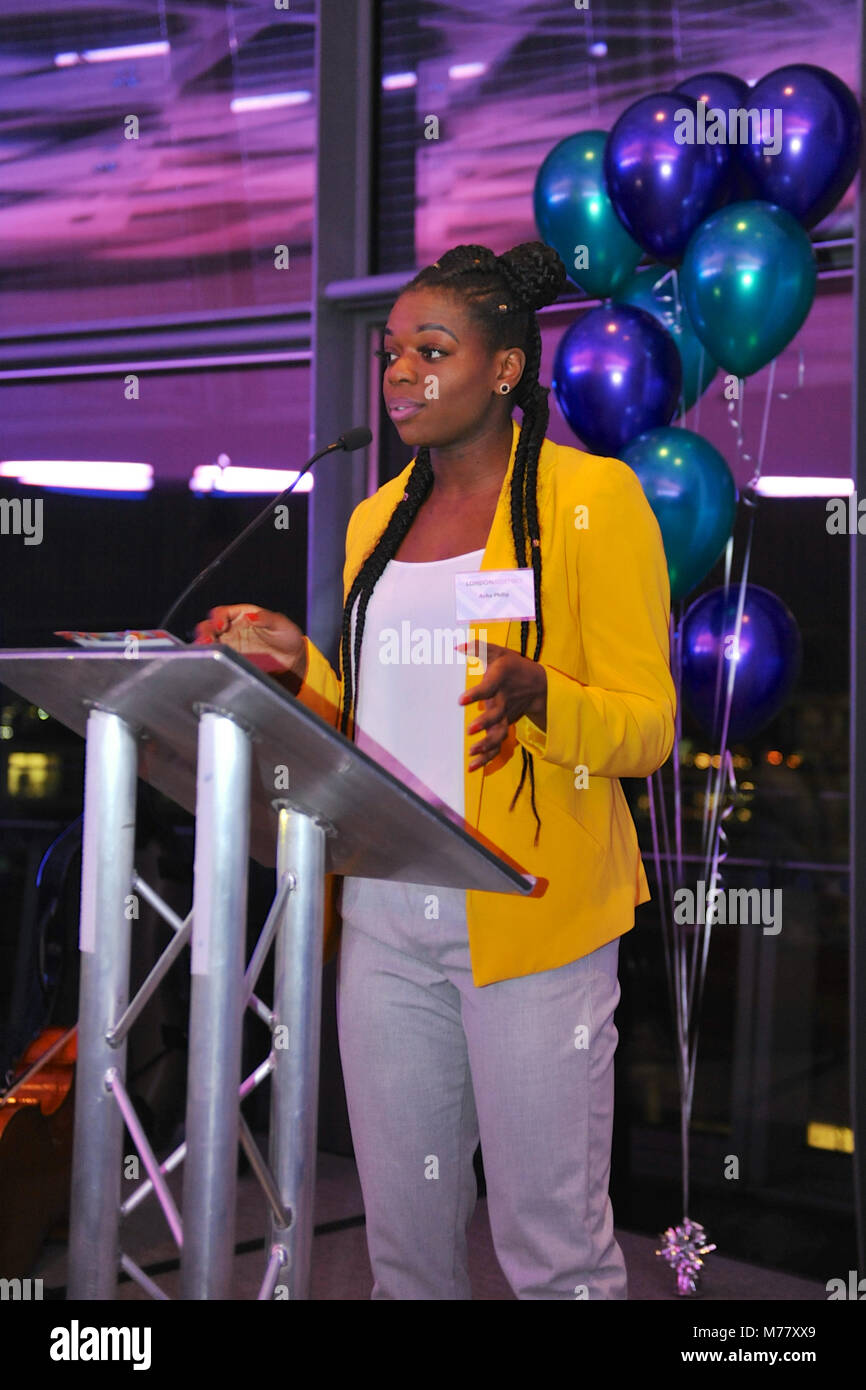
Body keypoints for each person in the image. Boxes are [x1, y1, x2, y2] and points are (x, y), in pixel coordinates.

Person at [194, 240, 676, 1300]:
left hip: (530, 920)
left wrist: (545, 698)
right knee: (403, 1249)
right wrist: (295, 664)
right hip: (380, 918)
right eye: (391, 352)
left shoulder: (593, 503)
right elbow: (372, 724)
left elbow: (647, 729)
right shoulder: (377, 515)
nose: (399, 372)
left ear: (504, 369)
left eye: (430, 348)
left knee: (551, 1249)